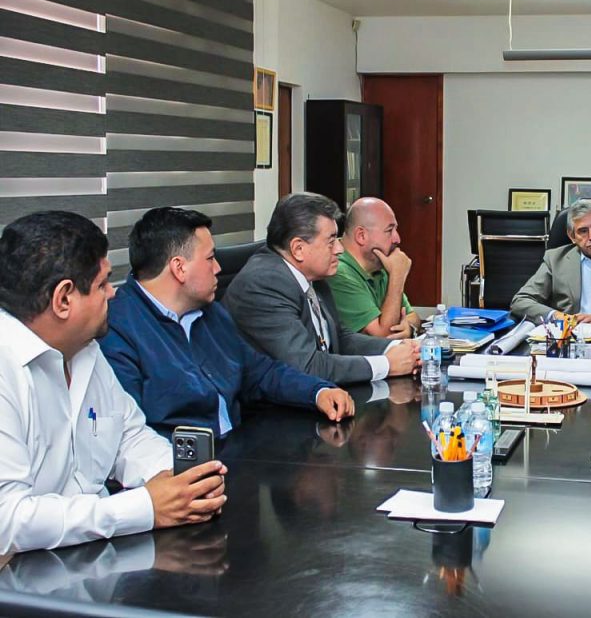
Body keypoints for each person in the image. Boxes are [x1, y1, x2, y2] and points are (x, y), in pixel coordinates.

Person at [0, 211, 226, 554]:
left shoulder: (85, 349)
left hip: (97, 558)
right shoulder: (7, 369)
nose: (113, 294)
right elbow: (8, 520)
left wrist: (182, 481)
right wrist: (145, 507)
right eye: (103, 284)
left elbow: (129, 436)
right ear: (63, 299)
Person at [100, 207, 354, 435]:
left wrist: (318, 392)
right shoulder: (117, 330)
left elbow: (260, 373)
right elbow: (131, 435)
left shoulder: (210, 312)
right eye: (210, 258)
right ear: (179, 268)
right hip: (180, 464)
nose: (218, 268)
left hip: (239, 449)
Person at [222, 193, 419, 386]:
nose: (339, 249)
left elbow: (338, 338)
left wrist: (401, 348)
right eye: (331, 241)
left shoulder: (314, 275)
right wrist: (387, 364)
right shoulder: (265, 284)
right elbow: (307, 366)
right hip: (271, 401)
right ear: (298, 249)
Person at [327, 197, 422, 338]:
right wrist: (398, 276)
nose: (397, 239)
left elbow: (412, 315)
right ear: (361, 236)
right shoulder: (337, 271)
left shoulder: (378, 264)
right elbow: (383, 337)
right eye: (389, 230)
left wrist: (409, 327)